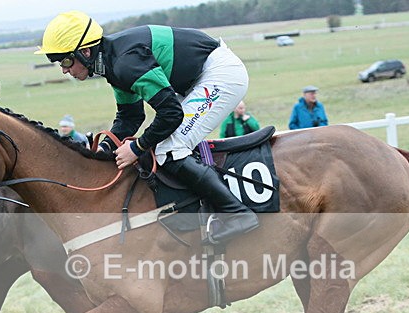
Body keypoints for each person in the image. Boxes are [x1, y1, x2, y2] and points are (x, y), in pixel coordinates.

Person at [36, 11, 258, 244]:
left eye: (66, 60)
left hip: (220, 74)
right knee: (163, 145)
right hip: (199, 78)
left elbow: (171, 114)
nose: (63, 69)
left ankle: (237, 214)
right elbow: (130, 117)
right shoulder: (112, 63)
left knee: (169, 148)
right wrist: (103, 149)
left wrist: (137, 147)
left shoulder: (124, 63)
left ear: (86, 52)